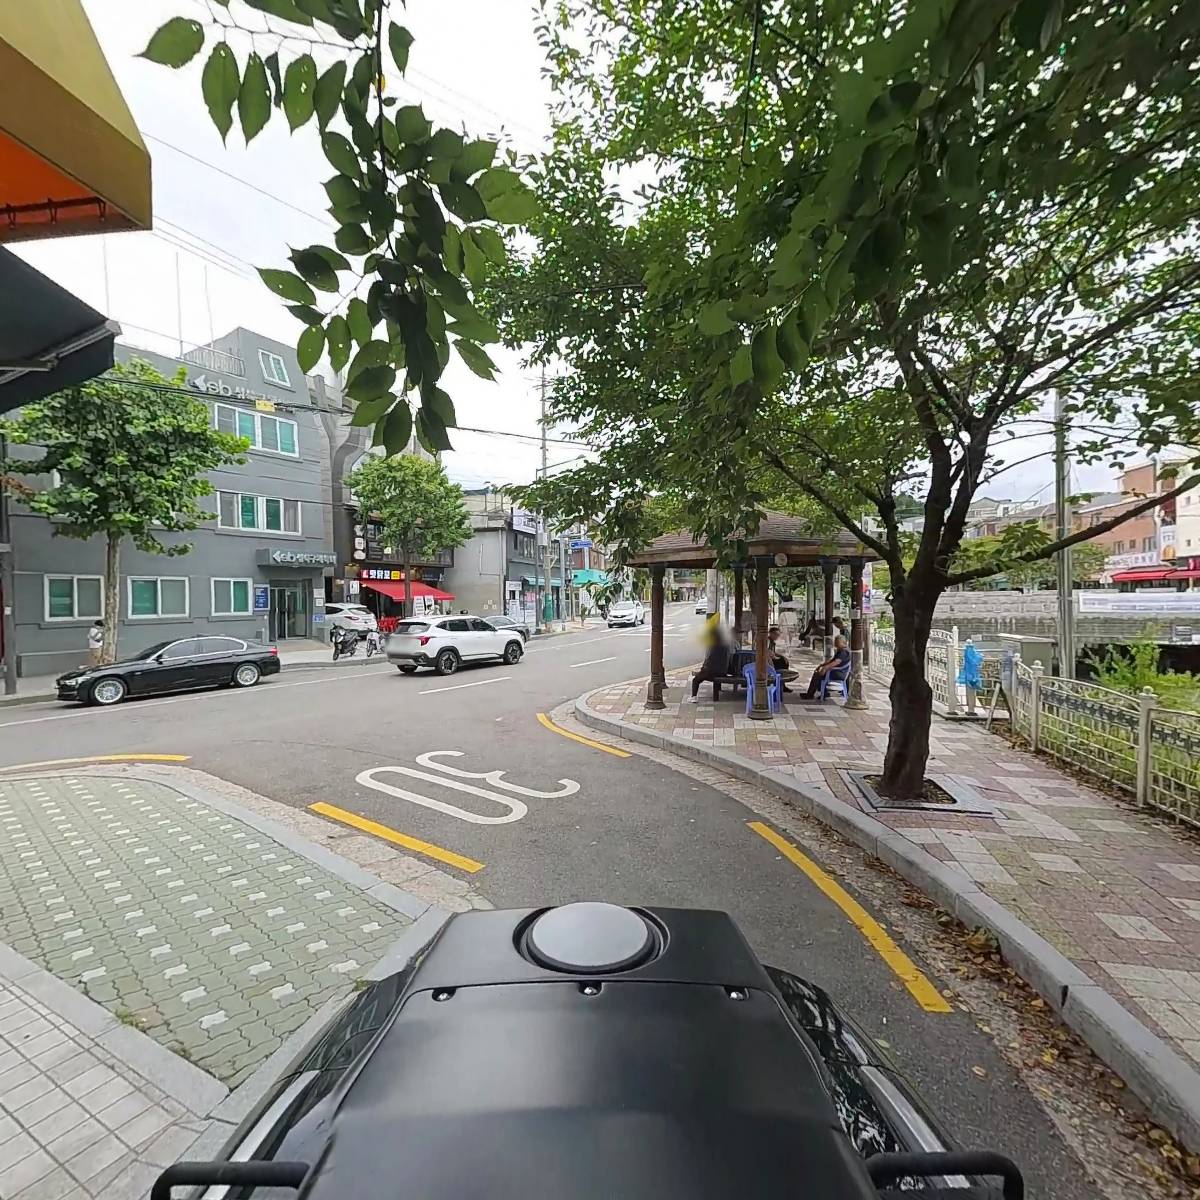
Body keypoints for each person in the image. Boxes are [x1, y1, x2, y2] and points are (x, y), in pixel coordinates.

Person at [801, 635, 850, 700]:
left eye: (837, 642)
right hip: (836, 671)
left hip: (838, 673)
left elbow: (836, 662)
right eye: (835, 642)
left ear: (843, 642)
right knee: (818, 673)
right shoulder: (840, 650)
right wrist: (822, 665)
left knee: (817, 675)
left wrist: (825, 668)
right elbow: (832, 660)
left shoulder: (843, 652)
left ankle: (811, 694)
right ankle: (824, 692)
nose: (835, 643)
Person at [691, 621, 731, 701]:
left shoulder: (713, 646)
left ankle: (693, 697)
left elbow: (709, 662)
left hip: (711, 672)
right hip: (723, 671)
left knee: (695, 680)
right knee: (702, 674)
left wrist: (702, 670)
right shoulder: (726, 644)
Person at [767, 625, 793, 692]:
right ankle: (781, 683)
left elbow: (773, 652)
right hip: (767, 660)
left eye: (778, 635)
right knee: (782, 663)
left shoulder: (773, 642)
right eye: (775, 634)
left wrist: (782, 656)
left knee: (784, 661)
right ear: (770, 633)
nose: (777, 636)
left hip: (772, 658)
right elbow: (766, 652)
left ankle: (782, 683)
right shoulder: (767, 641)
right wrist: (771, 660)